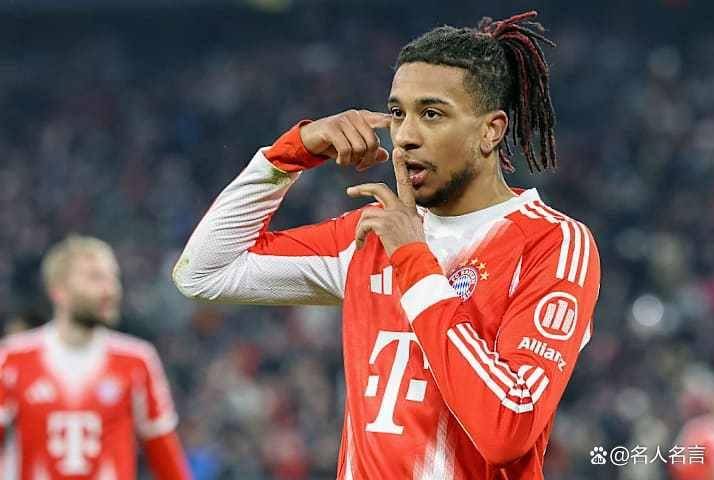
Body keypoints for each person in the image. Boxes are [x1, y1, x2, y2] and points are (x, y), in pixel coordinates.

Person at [173, 11, 601, 479]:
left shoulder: (552, 243)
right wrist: (293, 152)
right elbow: (204, 273)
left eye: (431, 114)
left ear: (490, 130)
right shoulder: (372, 233)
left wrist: (413, 260)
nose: (406, 137)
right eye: (398, 113)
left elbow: (507, 429)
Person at [0, 235, 191, 479]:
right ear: (58, 291)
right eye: (95, 277)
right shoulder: (13, 359)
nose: (110, 289)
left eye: (113, 278)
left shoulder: (137, 361)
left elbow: (165, 456)